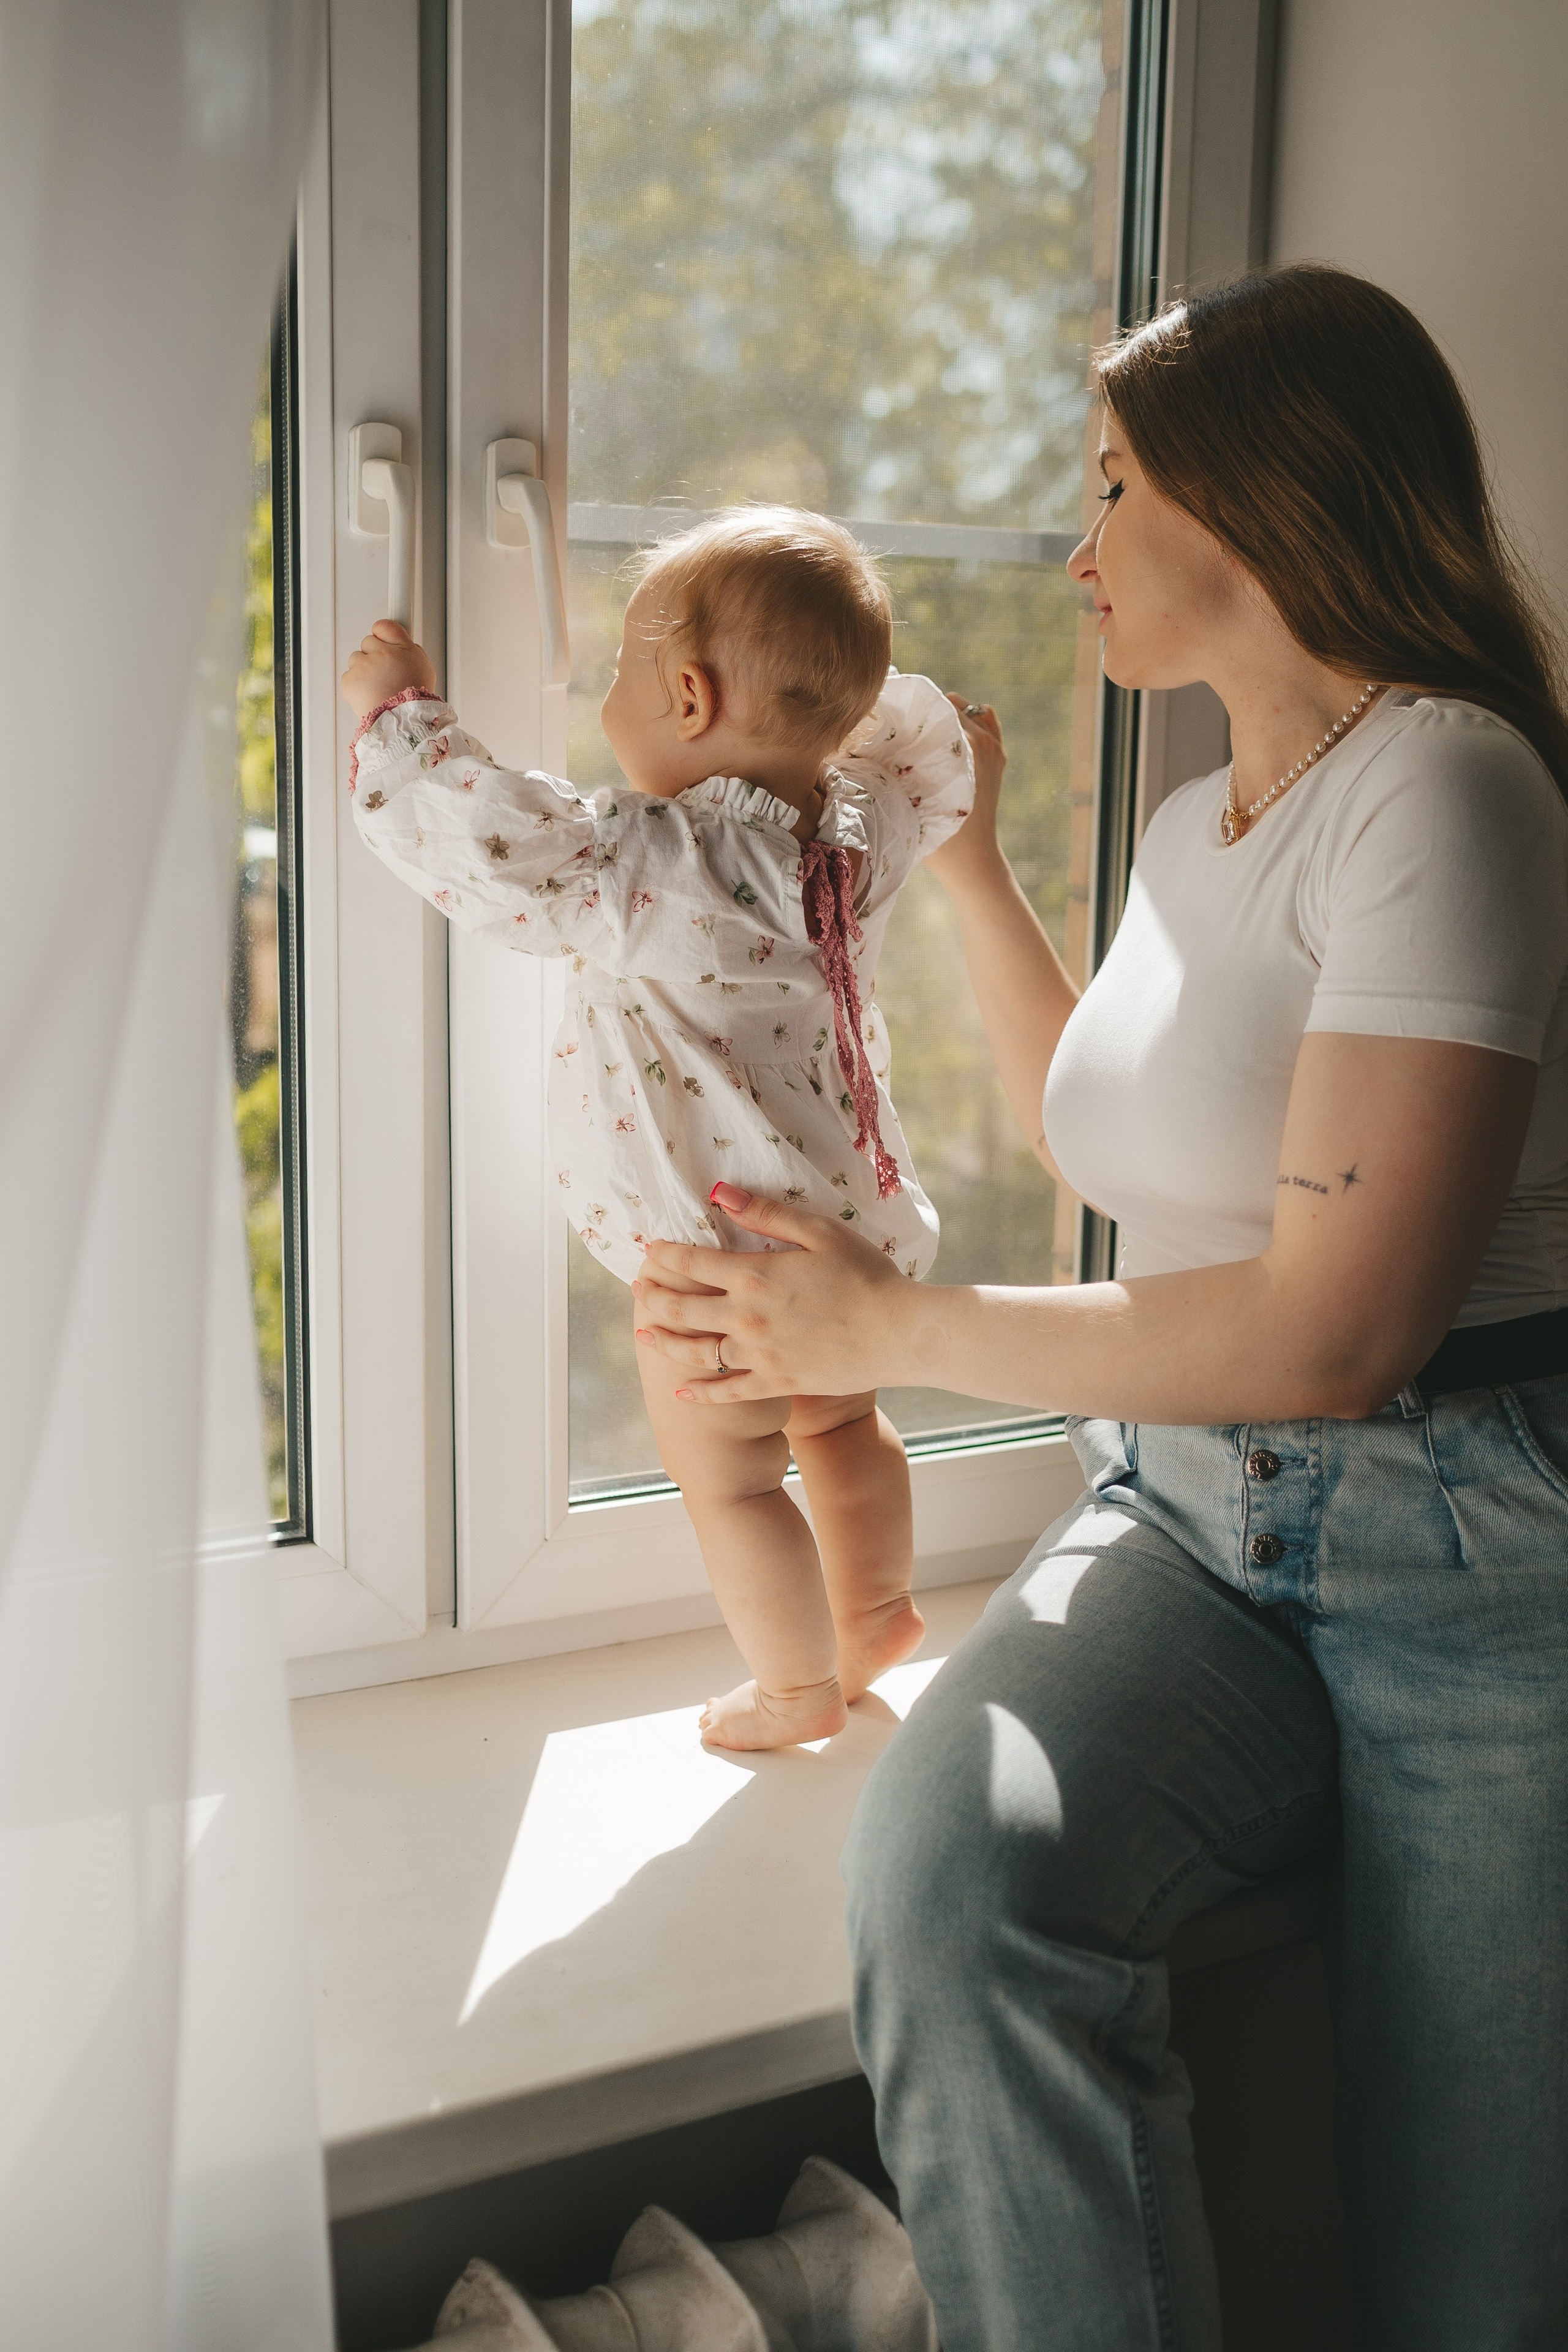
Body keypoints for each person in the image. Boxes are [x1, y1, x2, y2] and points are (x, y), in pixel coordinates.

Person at [631, 266, 1568, 2349]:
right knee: (954, 1899)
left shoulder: (1455, 788)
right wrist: (963, 865)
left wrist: (889, 1330)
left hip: (1476, 1549)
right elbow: (1121, 1153)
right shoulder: (1187, 820)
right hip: (1187, 1522)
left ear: (1259, 499)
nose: (1080, 541)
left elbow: (1336, 1331)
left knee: (1476, 2264)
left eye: (1118, 484)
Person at [339, 507, 975, 1751]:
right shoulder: (853, 841)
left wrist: (395, 712)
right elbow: (905, 752)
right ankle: (880, 1606)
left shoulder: (651, 857)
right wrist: (821, 685)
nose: (604, 700)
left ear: (685, 697)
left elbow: (485, 832)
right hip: (847, 1245)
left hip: (714, 1263)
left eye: (618, 673)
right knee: (842, 1423)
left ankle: (795, 1689)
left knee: (732, 1479)